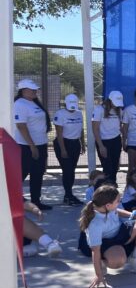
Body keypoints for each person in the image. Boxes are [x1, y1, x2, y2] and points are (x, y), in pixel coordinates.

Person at [78, 185, 136, 288]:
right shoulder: (95, 224)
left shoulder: (107, 208)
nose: (119, 202)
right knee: (118, 262)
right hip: (106, 243)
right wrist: (98, 275)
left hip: (119, 234)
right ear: (108, 205)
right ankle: (103, 262)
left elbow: (117, 211)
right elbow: (95, 251)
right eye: (118, 200)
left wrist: (131, 214)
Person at [14, 79, 52, 209]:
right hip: (26, 146)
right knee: (21, 173)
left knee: (37, 173)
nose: (35, 91)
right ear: (23, 90)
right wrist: (32, 146)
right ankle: (14, 200)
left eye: (35, 89)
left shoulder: (33, 103)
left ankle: (36, 201)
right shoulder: (19, 104)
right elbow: (21, 126)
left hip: (40, 144)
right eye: (32, 89)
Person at [53, 93, 85, 205]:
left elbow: (80, 129)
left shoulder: (79, 113)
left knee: (72, 171)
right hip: (63, 144)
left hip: (75, 144)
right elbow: (59, 133)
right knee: (67, 171)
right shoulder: (60, 114)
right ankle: (68, 195)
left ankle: (68, 195)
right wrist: (63, 150)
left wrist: (83, 143)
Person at [92, 91, 124, 185]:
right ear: (109, 101)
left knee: (115, 166)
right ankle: (106, 187)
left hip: (116, 141)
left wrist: (124, 138)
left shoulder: (119, 111)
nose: (116, 105)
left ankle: (113, 185)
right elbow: (95, 129)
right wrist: (101, 146)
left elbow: (119, 127)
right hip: (104, 142)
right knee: (107, 167)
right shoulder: (99, 110)